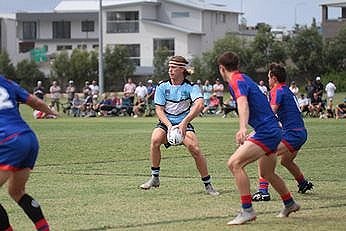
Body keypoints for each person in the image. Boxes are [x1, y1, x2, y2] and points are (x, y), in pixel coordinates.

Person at [217, 51, 300, 225]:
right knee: (267, 173)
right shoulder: (243, 77)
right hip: (275, 130)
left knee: (234, 164)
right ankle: (290, 203)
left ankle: (247, 210)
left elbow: (242, 102)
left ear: (222, 69)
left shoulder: (236, 81)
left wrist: (242, 127)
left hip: (267, 131)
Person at [139, 55, 219, 196]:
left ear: (182, 70)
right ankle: (155, 178)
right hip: (166, 123)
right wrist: (169, 126)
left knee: (195, 149)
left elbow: (200, 104)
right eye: (169, 67)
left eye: (174, 67)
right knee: (155, 139)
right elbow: (159, 110)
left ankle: (208, 185)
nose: (170, 70)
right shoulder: (162, 86)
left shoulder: (191, 87)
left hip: (184, 123)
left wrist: (184, 123)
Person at [0, 75, 58, 230]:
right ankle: (43, 228)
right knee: (16, 191)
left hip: (8, 140)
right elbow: (35, 102)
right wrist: (51, 112)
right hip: (28, 138)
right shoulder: (7, 82)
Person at [252, 63, 313, 203]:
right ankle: (303, 183)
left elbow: (271, 113)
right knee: (286, 160)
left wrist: (256, 130)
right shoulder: (286, 90)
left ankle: (263, 191)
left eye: (268, 77)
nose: (268, 80)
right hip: (300, 132)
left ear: (273, 78)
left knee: (264, 151)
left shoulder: (276, 90)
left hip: (292, 133)